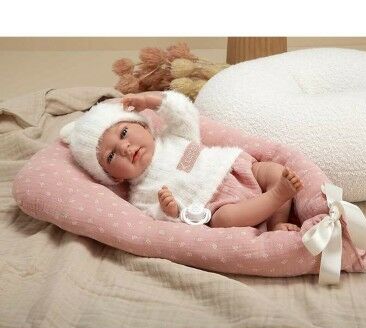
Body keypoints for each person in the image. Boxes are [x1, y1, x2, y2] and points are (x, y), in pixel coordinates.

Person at [60, 91, 303, 231]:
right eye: (111, 156)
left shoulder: (176, 137)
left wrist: (151, 101)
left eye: (124, 133)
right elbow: (158, 220)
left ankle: (278, 221)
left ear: (142, 125)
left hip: (234, 168)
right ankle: (276, 198)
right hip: (217, 205)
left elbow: (184, 112)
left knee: (275, 171)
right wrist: (169, 210)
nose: (124, 147)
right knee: (224, 221)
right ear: (113, 177)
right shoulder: (141, 193)